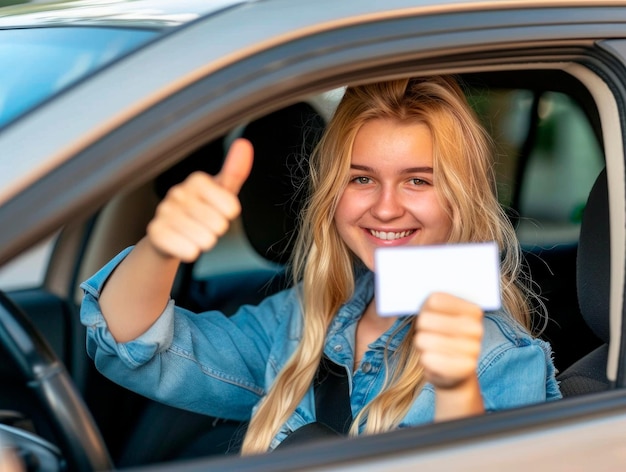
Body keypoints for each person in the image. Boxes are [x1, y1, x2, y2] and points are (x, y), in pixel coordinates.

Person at [80, 75, 561, 455]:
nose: (387, 207)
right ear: (332, 192)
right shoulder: (305, 316)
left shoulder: (501, 356)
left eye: (417, 181)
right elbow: (139, 350)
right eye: (361, 179)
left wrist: (457, 391)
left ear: (461, 198)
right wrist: (161, 250)